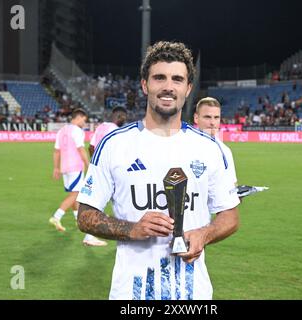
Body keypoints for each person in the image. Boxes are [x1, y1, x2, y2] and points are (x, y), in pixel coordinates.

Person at [76, 41, 240, 300]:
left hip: (192, 296)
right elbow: (84, 215)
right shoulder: (115, 145)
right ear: (145, 84)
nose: (168, 86)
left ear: (187, 88)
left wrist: (203, 234)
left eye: (177, 79)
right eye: (159, 77)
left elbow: (230, 216)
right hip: (130, 296)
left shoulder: (211, 149)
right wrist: (132, 229)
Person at [49, 108, 107, 247]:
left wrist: (56, 167)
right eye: (84, 120)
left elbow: (56, 151)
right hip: (75, 167)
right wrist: (89, 164)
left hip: (65, 167)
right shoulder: (77, 131)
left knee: (74, 194)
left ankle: (77, 219)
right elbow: (81, 149)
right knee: (77, 194)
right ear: (79, 117)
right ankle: (57, 216)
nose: (84, 123)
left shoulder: (62, 130)